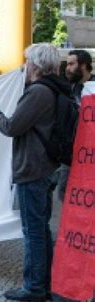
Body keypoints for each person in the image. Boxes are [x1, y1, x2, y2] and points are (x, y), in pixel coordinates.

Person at [0, 43, 69, 302]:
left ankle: (34, 288)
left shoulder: (38, 93)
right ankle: (45, 282)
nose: (25, 66)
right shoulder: (56, 90)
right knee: (41, 230)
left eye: (28, 62)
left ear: (36, 65)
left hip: (33, 168)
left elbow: (12, 126)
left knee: (33, 231)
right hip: (47, 166)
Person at [57, 49, 95, 200]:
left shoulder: (92, 87)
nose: (68, 68)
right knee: (65, 192)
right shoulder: (70, 87)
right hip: (72, 152)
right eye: (67, 64)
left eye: (72, 64)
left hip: (89, 153)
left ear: (83, 65)